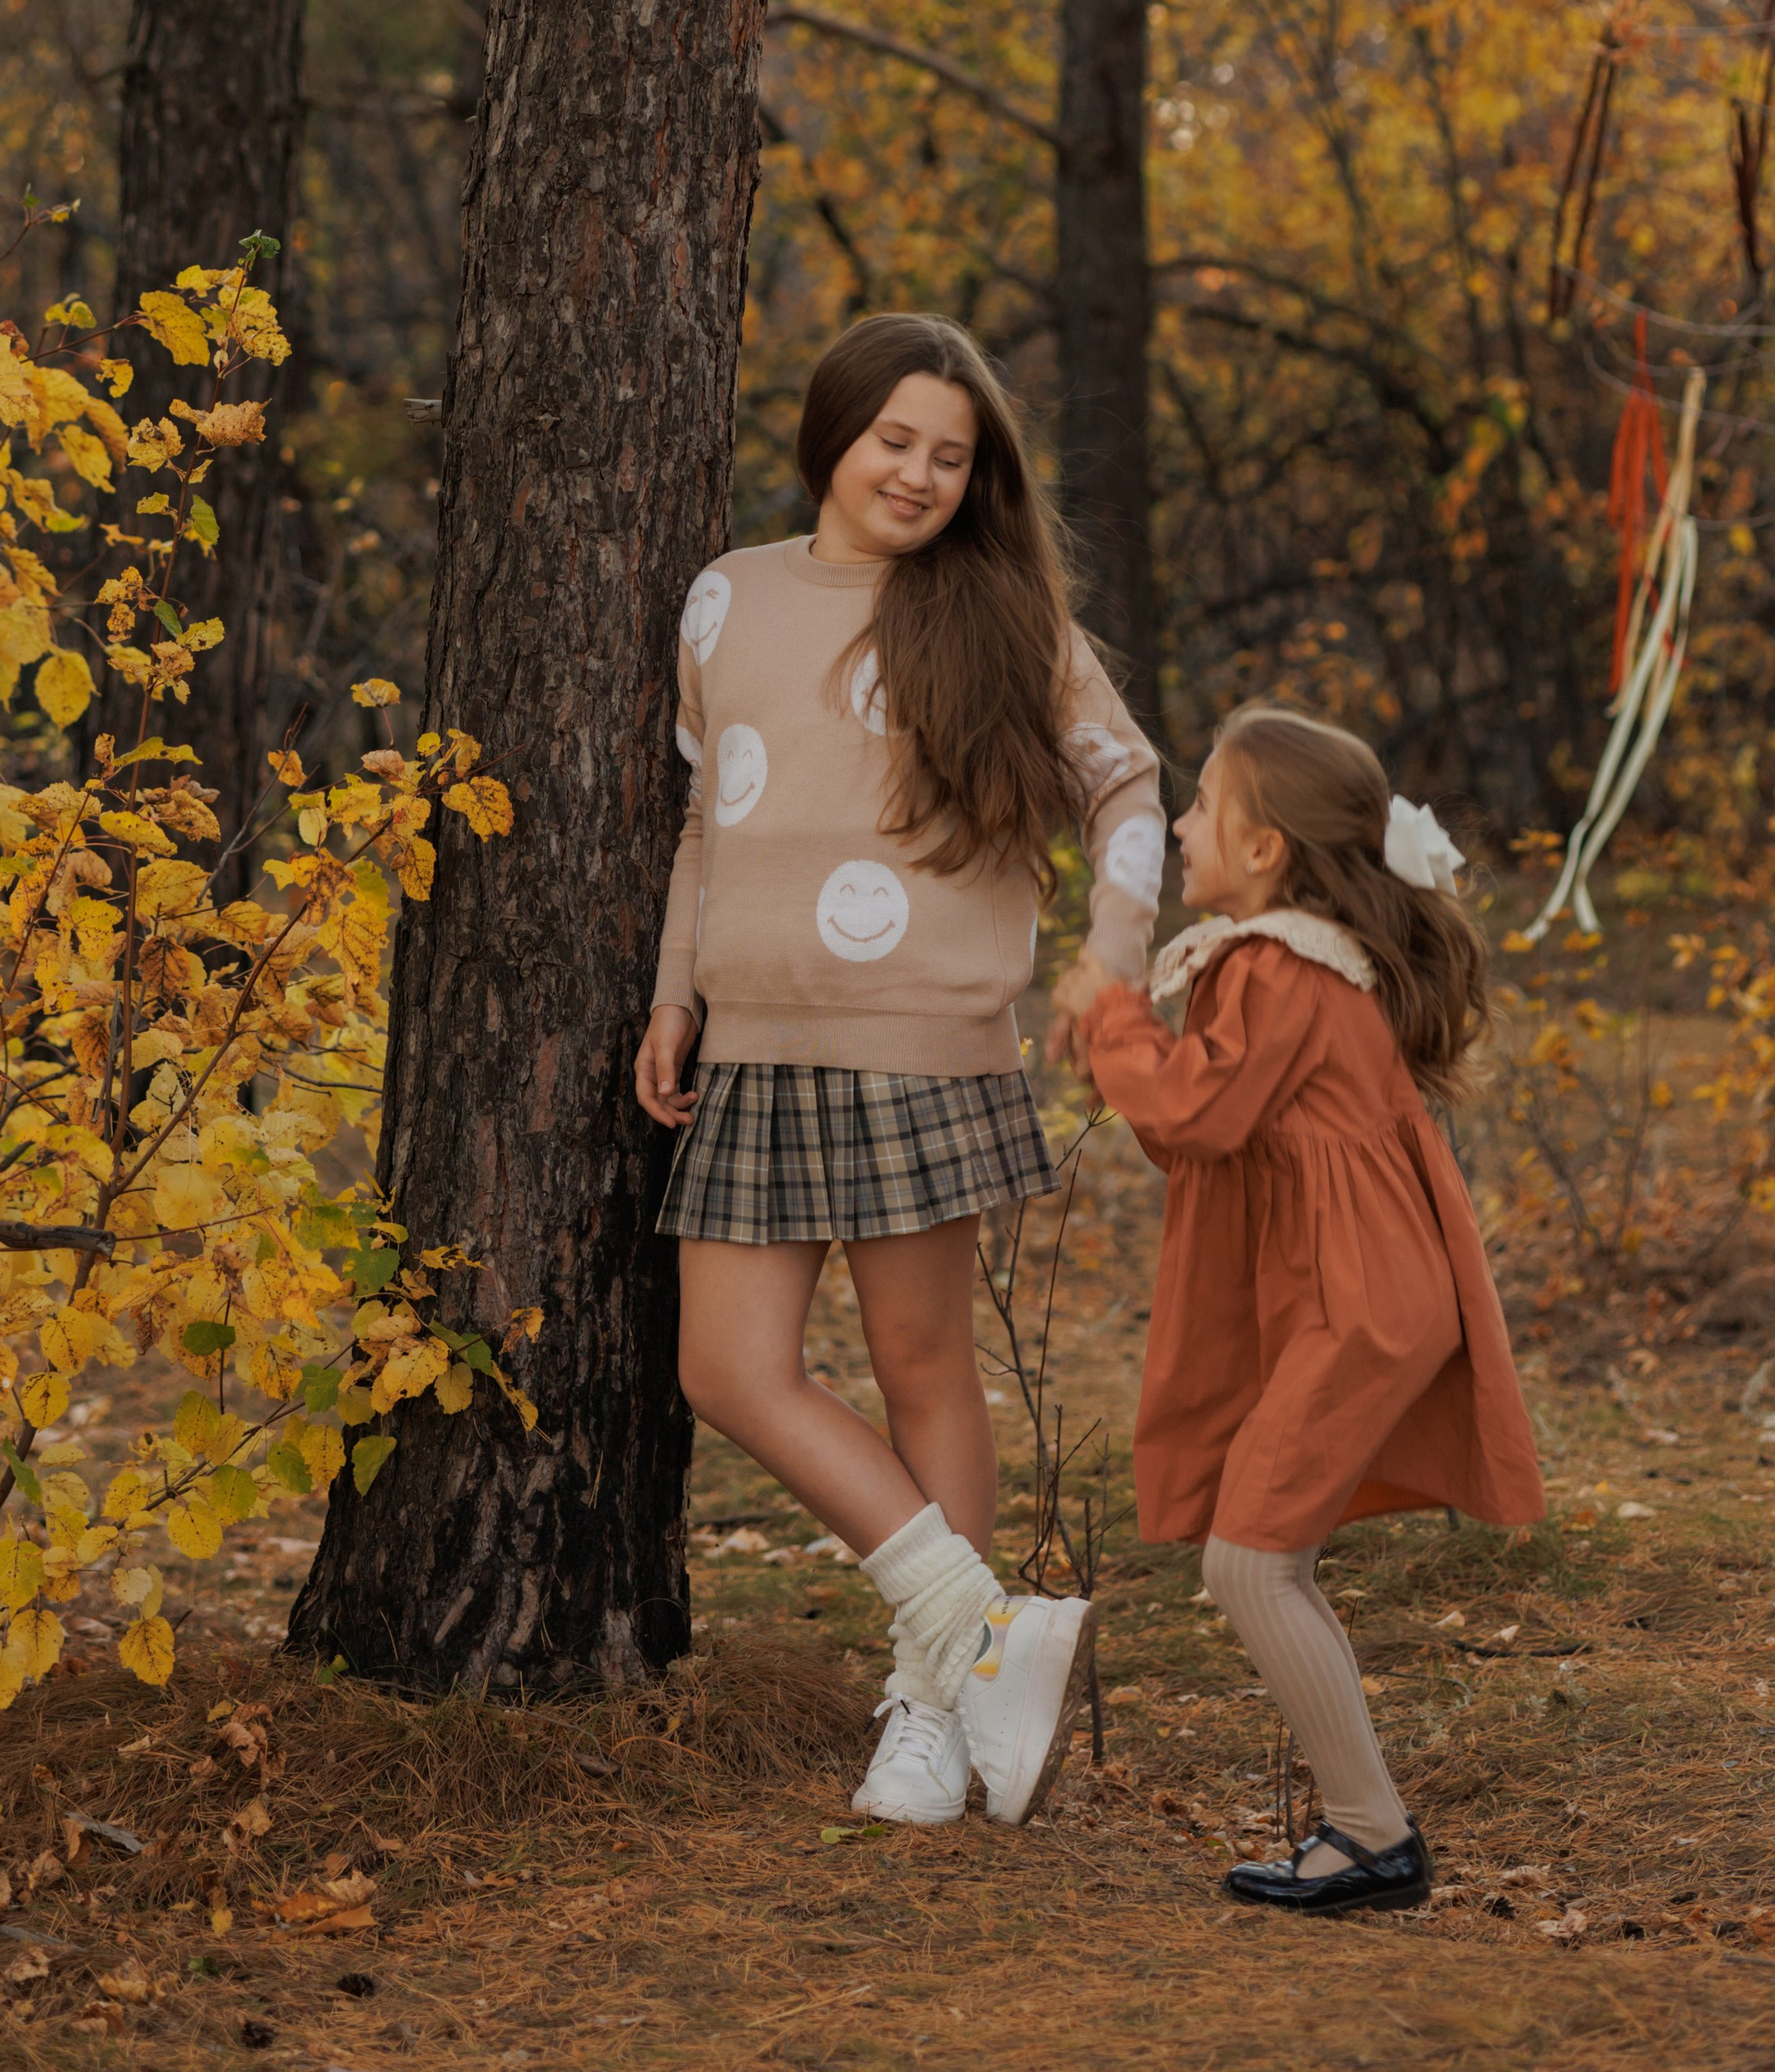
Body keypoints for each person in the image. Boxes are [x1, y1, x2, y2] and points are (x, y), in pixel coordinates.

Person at [635, 313, 1165, 1830]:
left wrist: (1114, 950)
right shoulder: (727, 600)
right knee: (726, 1369)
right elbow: (700, 826)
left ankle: (936, 1710)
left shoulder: (996, 620)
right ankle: (980, 1624)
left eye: (952, 454)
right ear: (834, 438)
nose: (921, 475)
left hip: (921, 1048)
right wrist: (674, 997)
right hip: (753, 1044)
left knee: (926, 1365)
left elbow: (1128, 785)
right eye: (895, 443)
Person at [1058, 703, 1545, 1917]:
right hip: (1356, 1286)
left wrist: (1110, 1016)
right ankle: (1368, 1833)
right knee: (1260, 1559)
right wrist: (1135, 1052)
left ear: (1266, 848)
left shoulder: (1276, 964)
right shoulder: (1291, 960)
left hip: (1357, 1299)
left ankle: (1375, 1840)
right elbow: (1212, 1139)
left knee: (1253, 1563)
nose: (1177, 825)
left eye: (1202, 806)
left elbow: (1193, 1118)